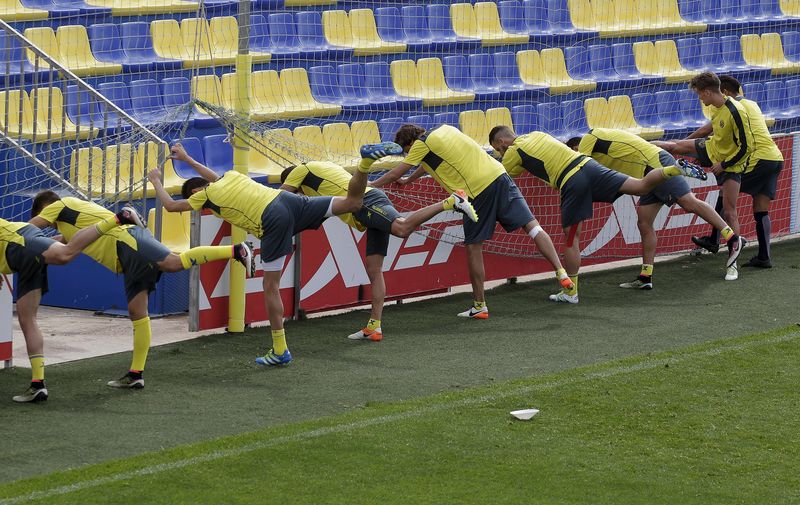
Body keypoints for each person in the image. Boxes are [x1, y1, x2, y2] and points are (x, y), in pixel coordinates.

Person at [149, 141, 401, 365]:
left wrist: (156, 181)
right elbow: (211, 177)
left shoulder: (204, 195)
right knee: (352, 203)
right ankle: (364, 164)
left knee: (271, 286)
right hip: (288, 202)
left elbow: (171, 206)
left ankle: (280, 349)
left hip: (271, 218)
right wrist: (188, 159)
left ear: (195, 193)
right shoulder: (232, 175)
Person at [29, 191, 254, 389]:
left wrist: (12, 235)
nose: (47, 222)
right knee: (137, 311)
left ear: (47, 207)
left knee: (173, 263)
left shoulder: (60, 206)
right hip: (126, 254)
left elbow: (31, 228)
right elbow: (59, 243)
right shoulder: (71, 223)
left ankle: (236, 251)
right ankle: (136, 374)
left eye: (43, 215)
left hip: (127, 241)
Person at [369, 123, 573, 319]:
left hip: (476, 191)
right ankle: (560, 270)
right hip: (500, 175)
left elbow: (397, 172)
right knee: (532, 226)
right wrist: (409, 181)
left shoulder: (422, 143)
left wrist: (372, 184)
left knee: (474, 247)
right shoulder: (446, 129)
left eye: (407, 151)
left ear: (410, 143)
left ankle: (479, 306)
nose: (409, 154)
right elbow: (427, 162)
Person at [489, 127, 708, 303]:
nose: (500, 153)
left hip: (572, 182)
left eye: (498, 150)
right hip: (590, 166)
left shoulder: (512, 153)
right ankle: (674, 169)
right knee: (640, 187)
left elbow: (502, 174)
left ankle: (571, 292)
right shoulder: (537, 133)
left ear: (501, 143)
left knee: (571, 238)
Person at [280, 160, 477, 341]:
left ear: (295, 183)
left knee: (402, 228)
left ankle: (450, 202)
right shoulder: (320, 172)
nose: (301, 197)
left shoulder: (300, 172)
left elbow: (280, 199)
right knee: (374, 269)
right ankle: (374, 327)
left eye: (298, 193)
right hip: (365, 206)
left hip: (366, 202)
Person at [567, 128, 742, 287]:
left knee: (689, 202)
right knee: (644, 222)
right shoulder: (599, 151)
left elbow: (582, 170)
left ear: (576, 147)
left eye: (572, 152)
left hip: (656, 163)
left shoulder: (589, 139)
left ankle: (732, 238)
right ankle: (645, 277)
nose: (574, 156)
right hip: (647, 176)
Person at [4, 206, 142, 402]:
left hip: (19, 241)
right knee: (26, 319)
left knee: (65, 254)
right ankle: (37, 385)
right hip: (21, 255)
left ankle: (119, 218)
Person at [652, 71, 753, 280]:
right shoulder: (716, 109)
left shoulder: (736, 111)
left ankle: (732, 263)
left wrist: (723, 165)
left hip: (731, 165)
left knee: (730, 211)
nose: (699, 98)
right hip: (712, 150)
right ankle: (637, 147)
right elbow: (715, 136)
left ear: (707, 92)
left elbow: (747, 147)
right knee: (673, 146)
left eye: (700, 94)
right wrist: (698, 153)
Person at [686, 75, 783, 269]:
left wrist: (687, 145)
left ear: (726, 92)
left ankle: (716, 239)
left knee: (726, 193)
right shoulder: (752, 103)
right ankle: (764, 257)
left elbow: (707, 131)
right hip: (774, 158)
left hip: (757, 158)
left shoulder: (732, 108)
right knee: (761, 209)